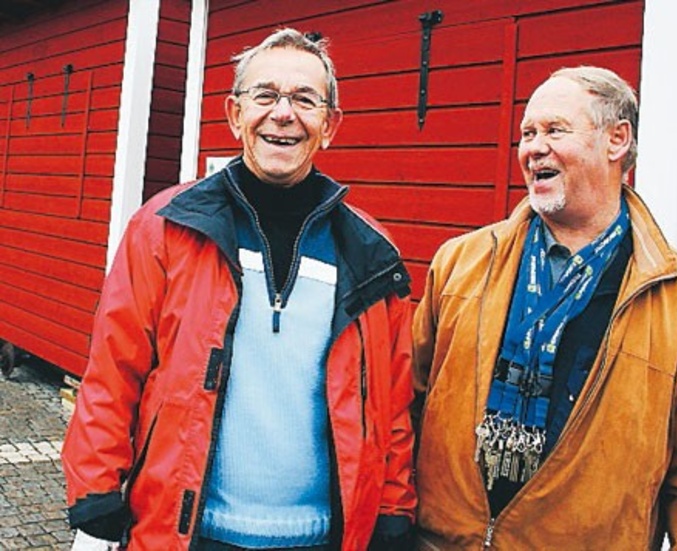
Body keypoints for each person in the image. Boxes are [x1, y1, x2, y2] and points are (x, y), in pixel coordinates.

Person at [62, 28, 416, 551]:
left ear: (330, 125)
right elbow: (114, 370)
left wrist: (393, 508)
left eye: (304, 99)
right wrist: (96, 490)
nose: (283, 113)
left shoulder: (370, 254)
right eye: (265, 95)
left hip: (325, 537)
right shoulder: (164, 228)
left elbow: (391, 406)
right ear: (234, 115)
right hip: (187, 534)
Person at [412, 66, 677, 549]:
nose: (533, 148)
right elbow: (410, 399)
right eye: (527, 133)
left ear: (617, 141)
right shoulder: (460, 263)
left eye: (555, 130)